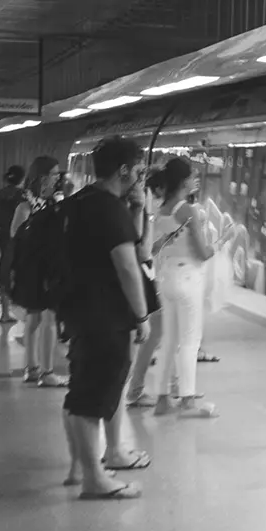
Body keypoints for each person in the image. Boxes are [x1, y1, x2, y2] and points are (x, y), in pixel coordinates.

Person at [58, 136, 153, 500]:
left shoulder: (80, 202)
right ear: (124, 170)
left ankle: (82, 468)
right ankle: (94, 479)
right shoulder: (109, 210)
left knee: (82, 393)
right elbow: (129, 267)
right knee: (90, 398)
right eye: (139, 170)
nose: (142, 176)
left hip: (79, 311)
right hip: (105, 316)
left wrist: (137, 208)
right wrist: (142, 315)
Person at [127, 159, 219, 418]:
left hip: (166, 279)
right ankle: (188, 401)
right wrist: (221, 243)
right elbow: (202, 253)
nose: (197, 179)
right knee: (190, 341)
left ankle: (163, 399)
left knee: (169, 341)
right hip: (188, 279)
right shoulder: (188, 210)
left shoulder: (163, 209)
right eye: (193, 175)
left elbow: (156, 247)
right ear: (183, 181)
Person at [14, 155, 67, 386]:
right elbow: (16, 237)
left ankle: (32, 368)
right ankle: (47, 372)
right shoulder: (27, 206)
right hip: (42, 269)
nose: (58, 178)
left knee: (34, 318)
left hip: (33, 268)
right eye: (55, 174)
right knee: (49, 318)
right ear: (44, 176)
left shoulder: (41, 203)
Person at [0, 166, 25, 324]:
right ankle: (9, 311)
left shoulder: (1, 193)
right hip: (15, 239)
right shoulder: (21, 195)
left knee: (4, 272)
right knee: (16, 272)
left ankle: (6, 311)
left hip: (2, 237)